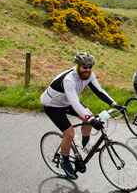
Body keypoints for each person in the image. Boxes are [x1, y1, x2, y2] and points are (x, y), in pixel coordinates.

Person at [41, 52, 124, 180]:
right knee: (70, 133)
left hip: (67, 101)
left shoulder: (89, 76)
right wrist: (90, 120)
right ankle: (65, 162)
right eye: (84, 67)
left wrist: (114, 104)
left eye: (90, 67)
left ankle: (85, 146)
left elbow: (99, 91)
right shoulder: (69, 79)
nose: (88, 70)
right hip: (53, 105)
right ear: (78, 66)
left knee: (89, 116)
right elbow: (75, 103)